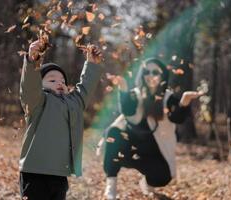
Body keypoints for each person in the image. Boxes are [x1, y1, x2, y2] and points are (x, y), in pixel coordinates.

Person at [102, 58, 202, 199]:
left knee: (163, 178)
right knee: (113, 133)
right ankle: (111, 186)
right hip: (131, 148)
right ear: (142, 75)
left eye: (155, 72)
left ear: (162, 76)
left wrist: (184, 101)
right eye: (146, 72)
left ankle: (147, 182)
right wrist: (123, 88)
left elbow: (176, 118)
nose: (150, 75)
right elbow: (127, 111)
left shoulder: (168, 97)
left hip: (154, 152)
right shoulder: (136, 94)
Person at [19, 39, 103, 200]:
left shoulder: (73, 103)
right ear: (40, 84)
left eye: (62, 81)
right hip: (35, 171)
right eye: (52, 80)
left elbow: (85, 87)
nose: (59, 83)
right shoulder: (37, 101)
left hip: (60, 174)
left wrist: (91, 64)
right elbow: (29, 87)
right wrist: (33, 61)